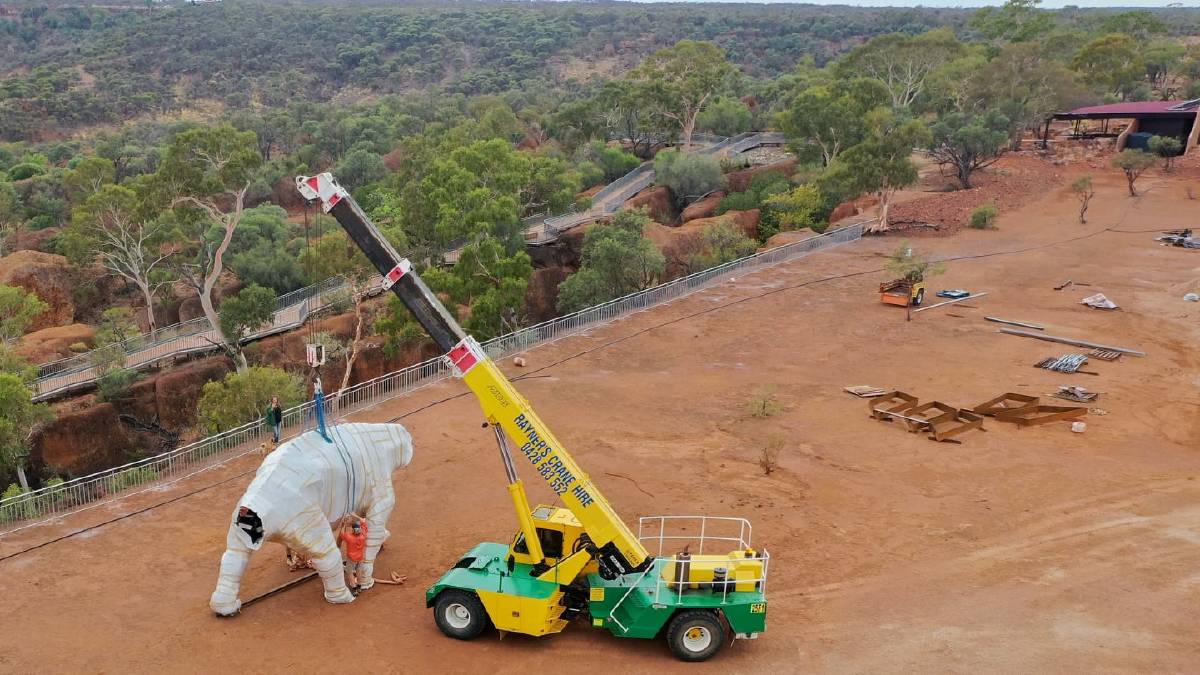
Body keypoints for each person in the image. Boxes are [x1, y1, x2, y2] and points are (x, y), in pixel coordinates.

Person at [337, 513, 369, 593]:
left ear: (352, 530)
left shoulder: (349, 537)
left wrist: (343, 524)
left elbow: (341, 534)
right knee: (359, 571)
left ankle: (354, 589)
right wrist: (355, 515)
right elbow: (363, 522)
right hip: (360, 557)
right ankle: (359, 587)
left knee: (350, 572)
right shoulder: (363, 535)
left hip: (351, 559)